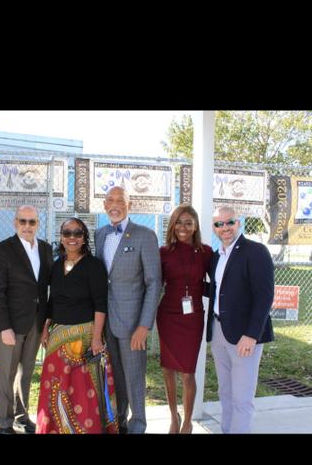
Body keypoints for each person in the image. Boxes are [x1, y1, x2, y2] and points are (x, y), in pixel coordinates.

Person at [36, 219, 118, 434]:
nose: (72, 238)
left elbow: (100, 304)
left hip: (85, 337)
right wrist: (45, 327)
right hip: (57, 337)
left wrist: (97, 338)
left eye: (77, 233)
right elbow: (52, 300)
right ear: (61, 237)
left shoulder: (94, 266)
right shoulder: (56, 265)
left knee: (82, 389)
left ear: (84, 238)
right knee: (55, 385)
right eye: (67, 233)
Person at [95, 186, 162, 435]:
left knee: (134, 379)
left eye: (120, 201)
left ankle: (138, 426)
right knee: (115, 377)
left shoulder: (145, 235)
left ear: (129, 205)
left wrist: (144, 325)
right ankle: (119, 423)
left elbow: (154, 283)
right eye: (110, 200)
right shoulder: (100, 234)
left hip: (133, 323)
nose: (115, 205)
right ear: (104, 205)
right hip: (106, 322)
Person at [206, 205, 275, 434]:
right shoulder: (217, 256)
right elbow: (220, 290)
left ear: (238, 223)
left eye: (229, 222)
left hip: (245, 337)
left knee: (242, 398)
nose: (224, 227)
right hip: (219, 331)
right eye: (219, 224)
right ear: (214, 228)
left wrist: (251, 335)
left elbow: (264, 296)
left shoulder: (255, 251)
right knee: (225, 392)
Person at [0, 205, 53, 434]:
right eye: (22, 221)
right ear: (15, 222)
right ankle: (4, 422)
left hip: (36, 322)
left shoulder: (45, 249)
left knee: (26, 373)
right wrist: (4, 326)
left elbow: (46, 286)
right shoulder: (3, 249)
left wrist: (47, 322)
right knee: (6, 374)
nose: (27, 226)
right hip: (11, 324)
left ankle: (21, 416)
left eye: (32, 222)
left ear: (38, 224)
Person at [156, 205, 213, 434]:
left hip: (193, 318)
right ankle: (173, 417)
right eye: (179, 222)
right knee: (168, 369)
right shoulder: (163, 252)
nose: (183, 227)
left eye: (188, 223)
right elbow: (154, 284)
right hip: (168, 316)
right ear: (172, 225)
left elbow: (219, 281)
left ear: (195, 226)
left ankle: (187, 422)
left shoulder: (206, 252)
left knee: (188, 373)